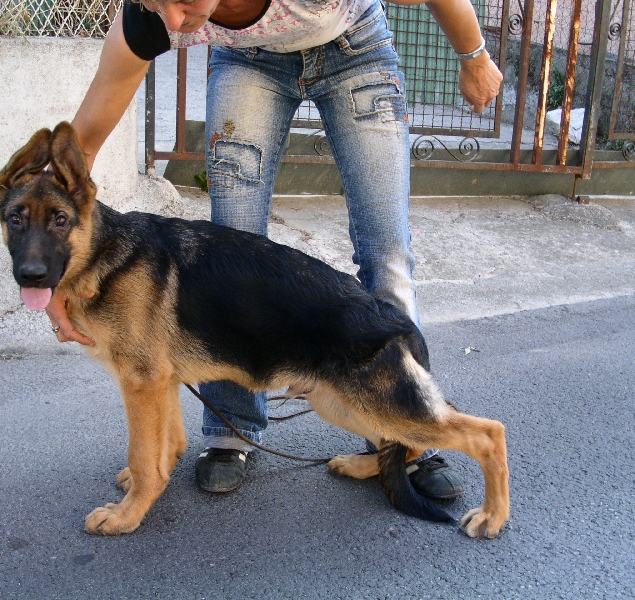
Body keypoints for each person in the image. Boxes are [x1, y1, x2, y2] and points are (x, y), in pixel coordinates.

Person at [46, 0, 503, 498]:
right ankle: (230, 431)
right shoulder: (147, 16)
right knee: (231, 247)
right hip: (248, 61)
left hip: (355, 46)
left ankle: (406, 439)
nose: (173, 22)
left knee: (385, 252)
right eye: (159, 4)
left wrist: (474, 55)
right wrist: (56, 276)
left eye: (182, 1)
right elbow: (78, 154)